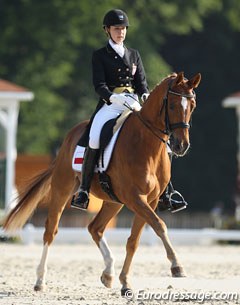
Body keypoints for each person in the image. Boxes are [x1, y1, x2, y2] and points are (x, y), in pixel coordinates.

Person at [71, 9, 187, 213]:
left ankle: (167, 192)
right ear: (107, 30)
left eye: (123, 29)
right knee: (95, 136)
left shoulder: (133, 54)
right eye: (117, 29)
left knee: (163, 140)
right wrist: (112, 96)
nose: (121, 32)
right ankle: (84, 189)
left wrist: (144, 95)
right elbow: (98, 84)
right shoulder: (100, 55)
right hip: (110, 104)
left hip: (133, 102)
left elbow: (141, 82)